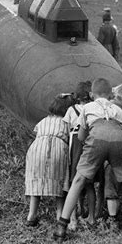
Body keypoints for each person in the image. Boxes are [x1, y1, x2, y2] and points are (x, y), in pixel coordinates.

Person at [53, 78, 122, 242]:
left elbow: (81, 136)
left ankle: (62, 225)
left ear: (91, 94)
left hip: (96, 138)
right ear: (110, 95)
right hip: (118, 139)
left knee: (79, 180)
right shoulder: (117, 109)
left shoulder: (87, 107)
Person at [25, 94, 74, 226]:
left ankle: (32, 215)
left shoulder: (43, 121)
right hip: (58, 147)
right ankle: (59, 215)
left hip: (37, 149)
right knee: (60, 182)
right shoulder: (66, 122)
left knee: (36, 181)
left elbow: (33, 135)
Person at [62, 81, 95, 230]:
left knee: (73, 179)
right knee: (89, 182)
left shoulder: (71, 109)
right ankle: (92, 216)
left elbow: (66, 127)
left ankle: (73, 218)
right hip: (89, 141)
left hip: (75, 142)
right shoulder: (91, 108)